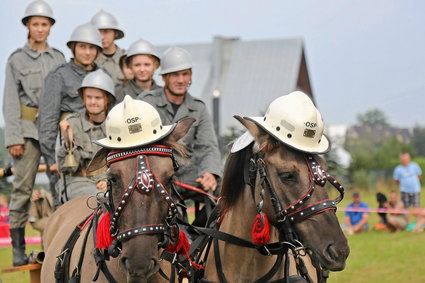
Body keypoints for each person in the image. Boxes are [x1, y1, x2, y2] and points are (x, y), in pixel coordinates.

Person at [3, 0, 65, 266]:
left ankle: (59, 243)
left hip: (53, 133)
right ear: (28, 26)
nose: (40, 29)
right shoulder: (16, 59)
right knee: (22, 189)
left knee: (60, 186)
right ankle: (18, 250)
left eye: (45, 24)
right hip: (27, 132)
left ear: (50, 28)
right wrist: (13, 138)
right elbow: (9, 101)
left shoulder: (59, 58)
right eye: (35, 24)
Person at [138, 46, 221, 225]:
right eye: (175, 75)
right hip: (157, 174)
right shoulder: (147, 102)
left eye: (185, 74)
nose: (181, 80)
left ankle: (200, 237)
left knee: (224, 192)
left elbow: (208, 146)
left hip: (188, 174)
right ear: (164, 77)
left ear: (191, 76)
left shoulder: (198, 107)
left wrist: (210, 173)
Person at [38, 23, 103, 183]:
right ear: (73, 48)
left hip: (99, 147)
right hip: (69, 148)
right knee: (65, 202)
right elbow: (47, 120)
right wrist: (52, 160)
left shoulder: (103, 75)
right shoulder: (59, 75)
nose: (87, 52)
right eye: (82, 47)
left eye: (92, 48)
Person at [55, 69, 116, 203]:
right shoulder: (71, 123)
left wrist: (107, 179)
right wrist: (68, 143)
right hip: (78, 182)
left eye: (98, 98)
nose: (93, 102)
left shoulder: (117, 124)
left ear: (107, 99)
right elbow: (66, 169)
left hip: (111, 181)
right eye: (89, 97)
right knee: (100, 201)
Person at [91, 9, 126, 85]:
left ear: (115, 33)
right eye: (98, 32)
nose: (102, 37)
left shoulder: (127, 60)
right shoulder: (89, 61)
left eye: (106, 32)